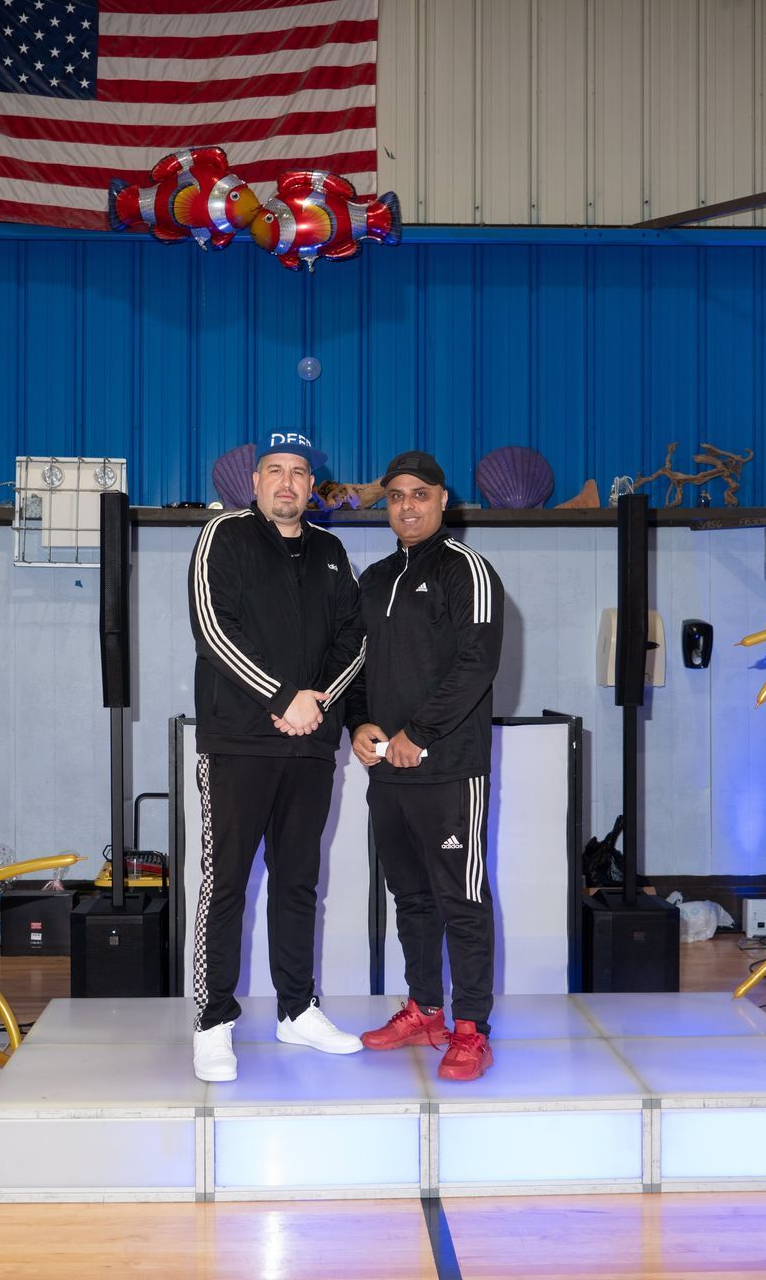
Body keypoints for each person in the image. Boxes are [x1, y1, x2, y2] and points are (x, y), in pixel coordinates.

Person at [187, 431, 368, 1082]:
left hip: (312, 746)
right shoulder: (224, 537)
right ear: (256, 481)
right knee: (227, 881)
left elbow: (355, 638)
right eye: (275, 471)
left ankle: (297, 1009)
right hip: (238, 742)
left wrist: (315, 705)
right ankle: (213, 1022)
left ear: (310, 486)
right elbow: (212, 627)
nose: (287, 483)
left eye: (299, 473)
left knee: (298, 882)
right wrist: (281, 695)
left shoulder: (330, 550)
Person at [346, 451, 505, 1081]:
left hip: (448, 770)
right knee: (409, 897)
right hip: (387, 772)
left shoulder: (469, 571)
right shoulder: (375, 579)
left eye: (419, 494)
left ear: (443, 500)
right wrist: (356, 723)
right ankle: (425, 1009)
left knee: (460, 900)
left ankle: (471, 1029)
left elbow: (477, 662)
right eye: (395, 496)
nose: (406, 506)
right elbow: (354, 666)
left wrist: (421, 732)